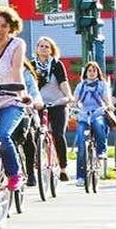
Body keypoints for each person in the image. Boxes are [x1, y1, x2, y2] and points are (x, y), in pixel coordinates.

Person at [0, 6, 28, 192]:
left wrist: (22, 93)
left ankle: (15, 173)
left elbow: (16, 70)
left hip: (10, 100)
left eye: (4, 26)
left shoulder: (17, 44)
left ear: (11, 27)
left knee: (2, 136)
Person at [31, 37, 73, 181]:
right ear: (37, 49)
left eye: (47, 47)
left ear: (52, 50)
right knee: (35, 134)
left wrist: (68, 96)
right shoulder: (31, 65)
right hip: (38, 104)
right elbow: (27, 84)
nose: (44, 49)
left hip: (57, 104)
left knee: (58, 134)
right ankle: (36, 160)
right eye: (41, 46)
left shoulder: (56, 65)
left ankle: (63, 168)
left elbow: (63, 82)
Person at [71, 61, 112, 187]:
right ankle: (80, 177)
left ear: (98, 72)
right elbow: (75, 100)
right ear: (86, 72)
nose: (92, 73)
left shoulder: (102, 85)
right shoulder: (81, 85)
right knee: (81, 144)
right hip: (84, 115)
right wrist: (72, 107)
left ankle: (101, 150)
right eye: (89, 70)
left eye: (94, 70)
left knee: (99, 125)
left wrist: (109, 106)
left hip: (98, 113)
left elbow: (107, 99)